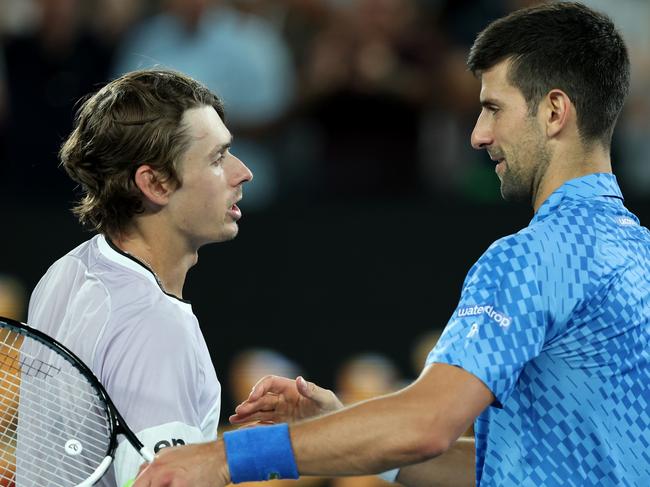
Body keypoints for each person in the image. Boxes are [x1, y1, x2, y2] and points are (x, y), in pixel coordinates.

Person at [133, 3, 650, 487]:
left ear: (555, 111)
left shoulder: (530, 258)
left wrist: (224, 457)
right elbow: (514, 466)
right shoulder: (638, 254)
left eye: (494, 108)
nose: (479, 134)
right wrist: (345, 431)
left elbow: (424, 423)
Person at [23, 69, 253, 486]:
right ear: (155, 183)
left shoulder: (66, 272)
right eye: (218, 158)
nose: (243, 172)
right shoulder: (156, 326)